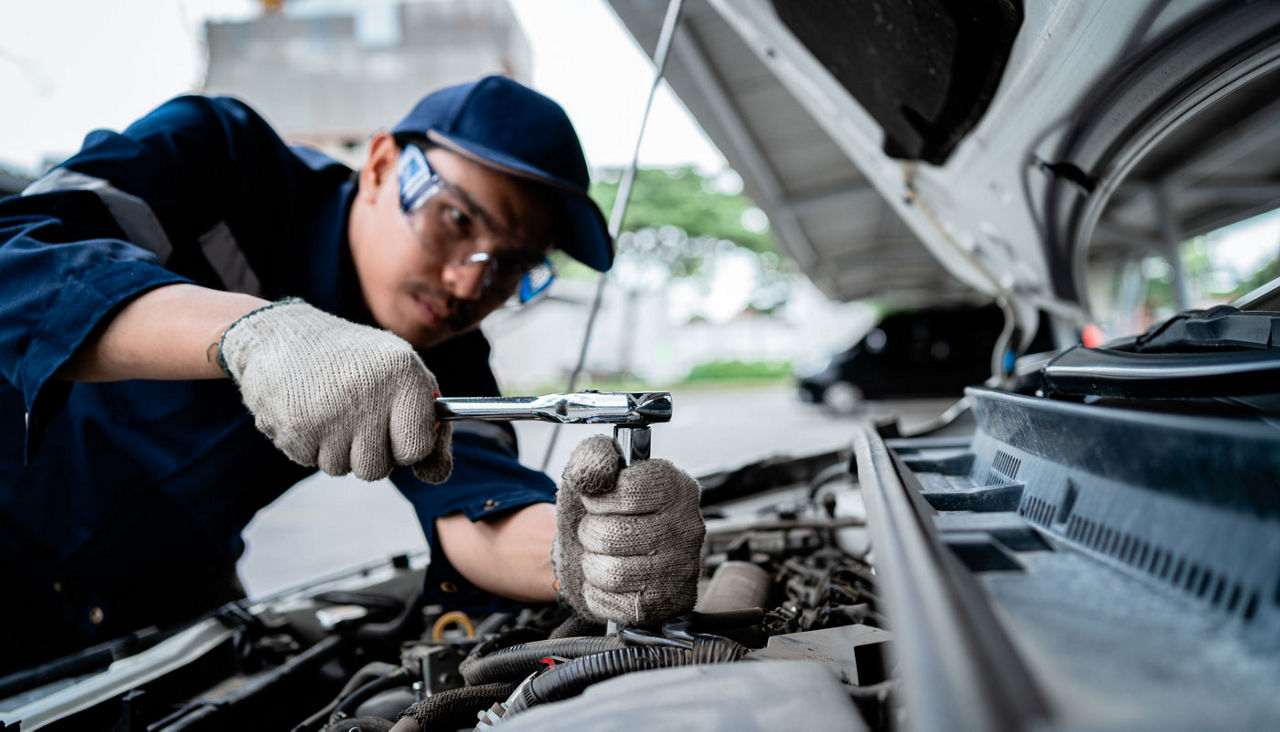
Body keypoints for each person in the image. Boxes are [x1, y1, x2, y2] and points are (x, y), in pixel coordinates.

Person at [0, 75, 704, 674]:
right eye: (456, 219)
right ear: (378, 166)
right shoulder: (217, 159)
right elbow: (14, 261)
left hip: (150, 604)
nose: (468, 283)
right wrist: (248, 332)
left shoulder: (447, 357)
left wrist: (581, 556)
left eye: (513, 265)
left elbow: (479, 513)